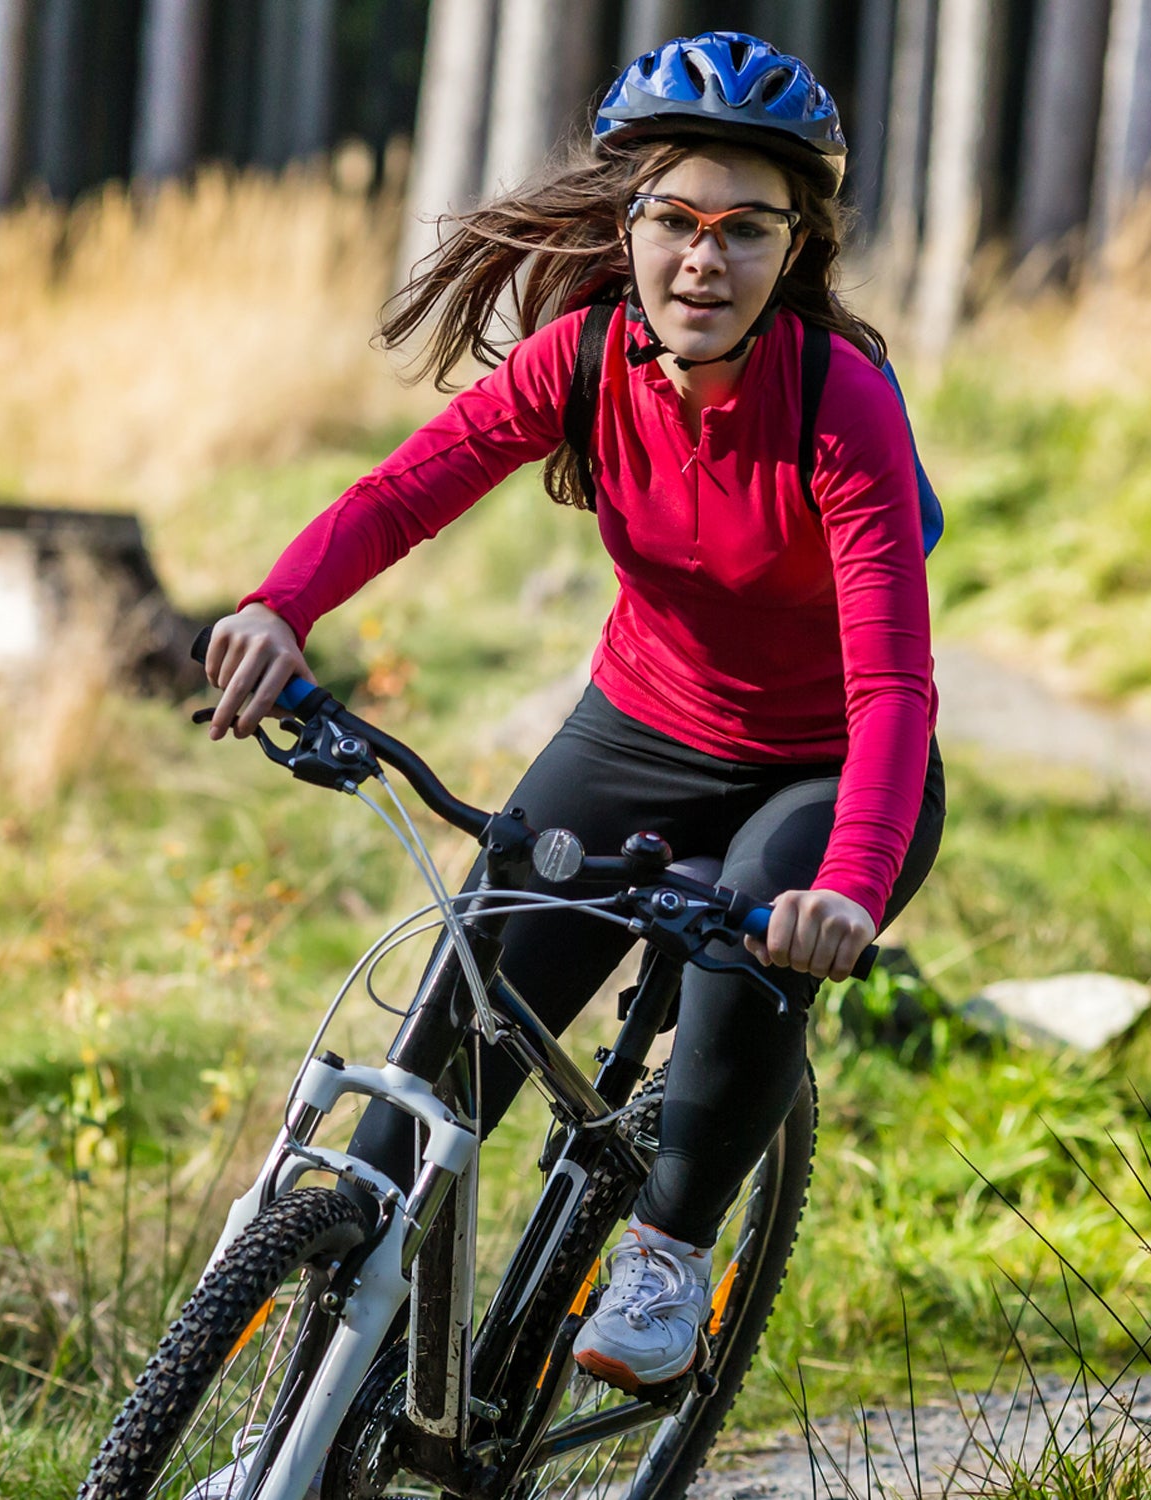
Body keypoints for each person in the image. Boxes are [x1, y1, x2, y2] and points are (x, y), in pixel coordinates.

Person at [204, 31, 944, 1395]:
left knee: (753, 948)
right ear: (630, 224)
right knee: (433, 1072)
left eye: (744, 229)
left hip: (825, 765)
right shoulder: (584, 354)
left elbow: (896, 681)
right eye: (674, 220)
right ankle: (293, 1441)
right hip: (641, 727)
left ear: (799, 247)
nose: (703, 261)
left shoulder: (840, 405)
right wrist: (278, 606)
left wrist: (848, 884)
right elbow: (404, 493)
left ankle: (665, 1254)